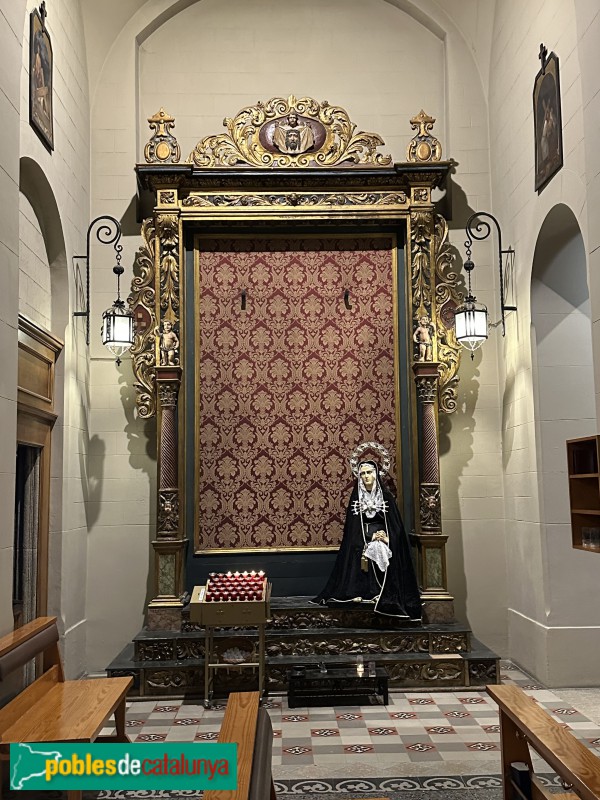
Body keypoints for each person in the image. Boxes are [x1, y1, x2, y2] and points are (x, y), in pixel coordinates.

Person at [313, 460, 422, 620]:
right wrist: (368, 538)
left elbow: (395, 526)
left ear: (376, 473)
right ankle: (362, 592)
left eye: (369, 472)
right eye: (362, 473)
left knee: (381, 548)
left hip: (383, 536)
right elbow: (353, 526)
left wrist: (386, 537)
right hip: (362, 536)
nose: (366, 476)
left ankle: (381, 592)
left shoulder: (386, 497)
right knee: (359, 547)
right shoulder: (356, 497)